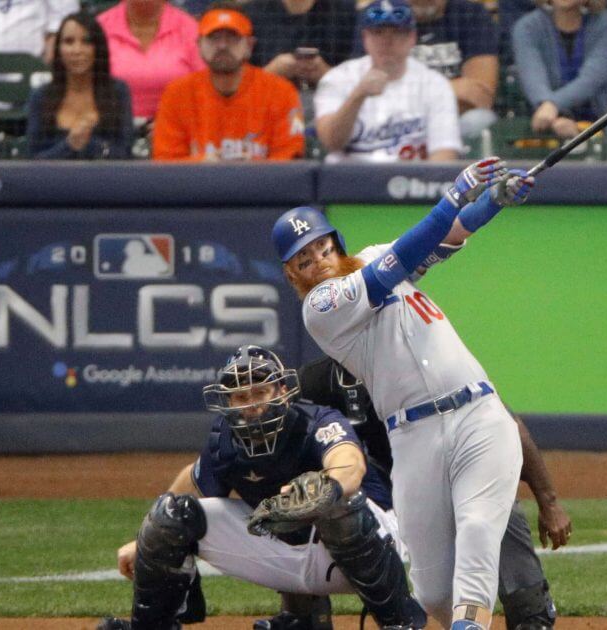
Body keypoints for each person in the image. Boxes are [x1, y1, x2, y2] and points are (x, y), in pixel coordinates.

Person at [271, 157, 536, 629]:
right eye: (303, 259)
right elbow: (400, 262)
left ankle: (469, 623)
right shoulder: (322, 307)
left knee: (477, 526)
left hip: (477, 411)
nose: (317, 262)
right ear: (294, 273)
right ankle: (460, 618)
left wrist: (491, 203)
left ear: (336, 243)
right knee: (433, 590)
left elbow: (444, 238)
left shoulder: (375, 255)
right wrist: (455, 194)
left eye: (321, 248)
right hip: (413, 436)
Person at [100, 345, 427, 630]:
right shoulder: (225, 440)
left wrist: (327, 488)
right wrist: (144, 540)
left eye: (260, 392)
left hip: (371, 542)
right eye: (241, 396)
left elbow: (349, 462)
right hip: (287, 555)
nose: (251, 403)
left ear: (282, 391)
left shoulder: (317, 420)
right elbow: (191, 483)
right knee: (168, 515)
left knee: (334, 501)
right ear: (227, 401)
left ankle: (399, 621)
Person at [280, 356, 571, 630]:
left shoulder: (427, 371)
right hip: (379, 492)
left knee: (497, 503)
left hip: (447, 479)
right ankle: (303, 617)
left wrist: (550, 504)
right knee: (308, 494)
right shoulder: (316, 380)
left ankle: (529, 613)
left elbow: (507, 428)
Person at [151, 5, 304, 161]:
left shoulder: (283, 92)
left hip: (261, 185)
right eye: (213, 37)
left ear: (249, 45)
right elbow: (164, 163)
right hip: (197, 185)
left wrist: (253, 167)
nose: (222, 46)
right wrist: (202, 164)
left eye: (232, 37)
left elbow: (292, 158)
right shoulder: (176, 94)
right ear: (199, 44)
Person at [314, 0, 460, 162]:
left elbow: (444, 154)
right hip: (347, 180)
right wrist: (358, 95)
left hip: (409, 181)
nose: (387, 41)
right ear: (365, 38)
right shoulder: (339, 78)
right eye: (378, 32)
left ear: (412, 38)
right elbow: (331, 142)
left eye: (397, 32)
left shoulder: (434, 85)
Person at [354, 0, 498, 138]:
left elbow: (480, 95)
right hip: (393, 122)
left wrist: (406, 93)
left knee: (480, 119)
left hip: (452, 119)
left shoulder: (471, 14)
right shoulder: (379, 14)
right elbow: (371, 92)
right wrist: (448, 91)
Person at [26, 11, 133, 159]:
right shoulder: (41, 96)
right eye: (69, 42)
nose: (77, 50)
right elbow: (33, 160)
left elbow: (125, 155)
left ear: (98, 47)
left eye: (87, 41)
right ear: (58, 49)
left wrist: (91, 144)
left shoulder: (118, 92)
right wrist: (69, 145)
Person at [511, 0, 607, 139]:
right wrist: (552, 116)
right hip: (540, 123)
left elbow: (593, 78)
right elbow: (533, 77)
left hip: (598, 125)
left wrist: (553, 105)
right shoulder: (526, 27)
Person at [98, 0, 204, 119]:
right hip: (111, 130)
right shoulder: (99, 27)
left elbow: (205, 91)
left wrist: (170, 124)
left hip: (179, 129)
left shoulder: (191, 29)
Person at [244, 0, 355, 91]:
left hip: (329, 106)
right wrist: (270, 73)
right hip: (267, 104)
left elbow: (359, 81)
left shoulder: (343, 13)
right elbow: (234, 82)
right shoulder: (252, 14)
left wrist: (326, 74)